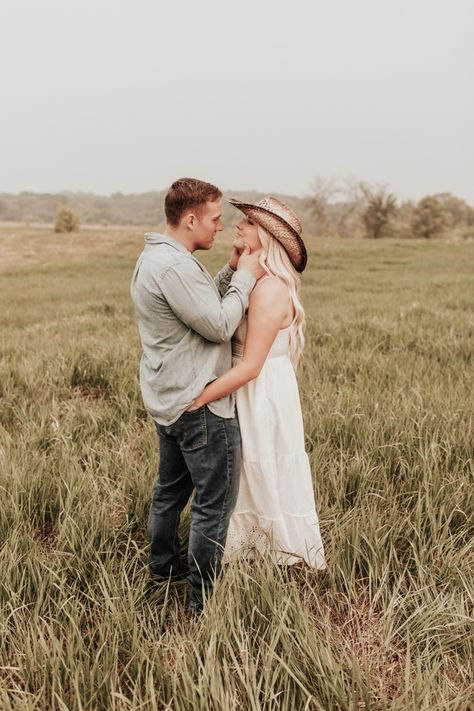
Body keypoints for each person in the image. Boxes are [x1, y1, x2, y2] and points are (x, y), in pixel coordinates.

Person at [130, 178, 264, 611]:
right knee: (213, 505)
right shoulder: (173, 268)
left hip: (170, 399)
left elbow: (201, 305)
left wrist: (227, 270)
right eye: (215, 219)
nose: (220, 227)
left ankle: (164, 569)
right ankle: (200, 604)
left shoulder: (165, 258)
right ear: (190, 219)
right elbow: (221, 324)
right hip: (201, 404)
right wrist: (244, 278)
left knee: (169, 491)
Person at [187, 196, 326, 570]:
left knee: (260, 464)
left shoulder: (269, 290)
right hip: (245, 384)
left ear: (265, 236)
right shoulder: (253, 280)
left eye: (248, 222)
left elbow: (250, 366)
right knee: (246, 470)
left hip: (257, 389)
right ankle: (246, 553)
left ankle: (276, 554)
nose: (238, 225)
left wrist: (198, 400)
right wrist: (234, 266)